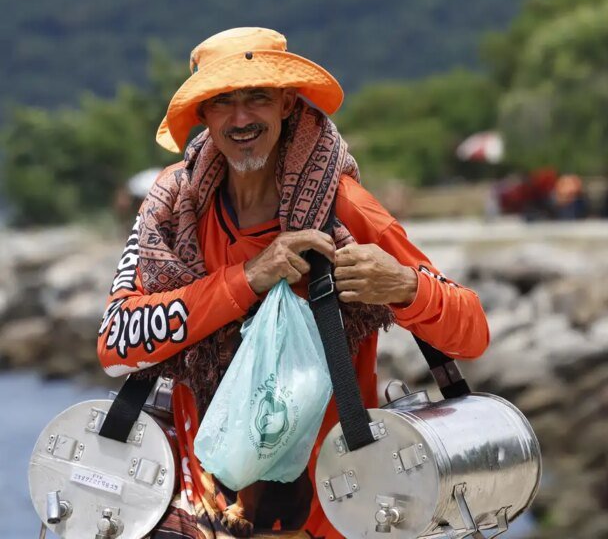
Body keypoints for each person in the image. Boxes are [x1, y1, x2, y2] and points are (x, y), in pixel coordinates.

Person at [96, 27, 490, 538]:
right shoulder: (171, 210)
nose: (241, 118)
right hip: (208, 516)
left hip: (332, 514)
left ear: (285, 103)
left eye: (257, 97)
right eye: (222, 102)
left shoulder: (344, 207)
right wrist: (250, 278)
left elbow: (472, 331)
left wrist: (405, 287)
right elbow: (117, 343)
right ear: (204, 116)